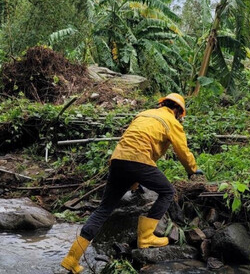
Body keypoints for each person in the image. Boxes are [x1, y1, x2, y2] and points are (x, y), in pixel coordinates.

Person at [61, 93, 203, 274]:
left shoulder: (145, 114)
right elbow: (182, 150)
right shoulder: (172, 121)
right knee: (167, 191)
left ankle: (72, 259)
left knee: (103, 209)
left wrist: (135, 180)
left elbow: (135, 143)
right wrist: (192, 169)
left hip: (118, 160)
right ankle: (146, 237)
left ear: (162, 104)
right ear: (178, 111)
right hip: (139, 161)